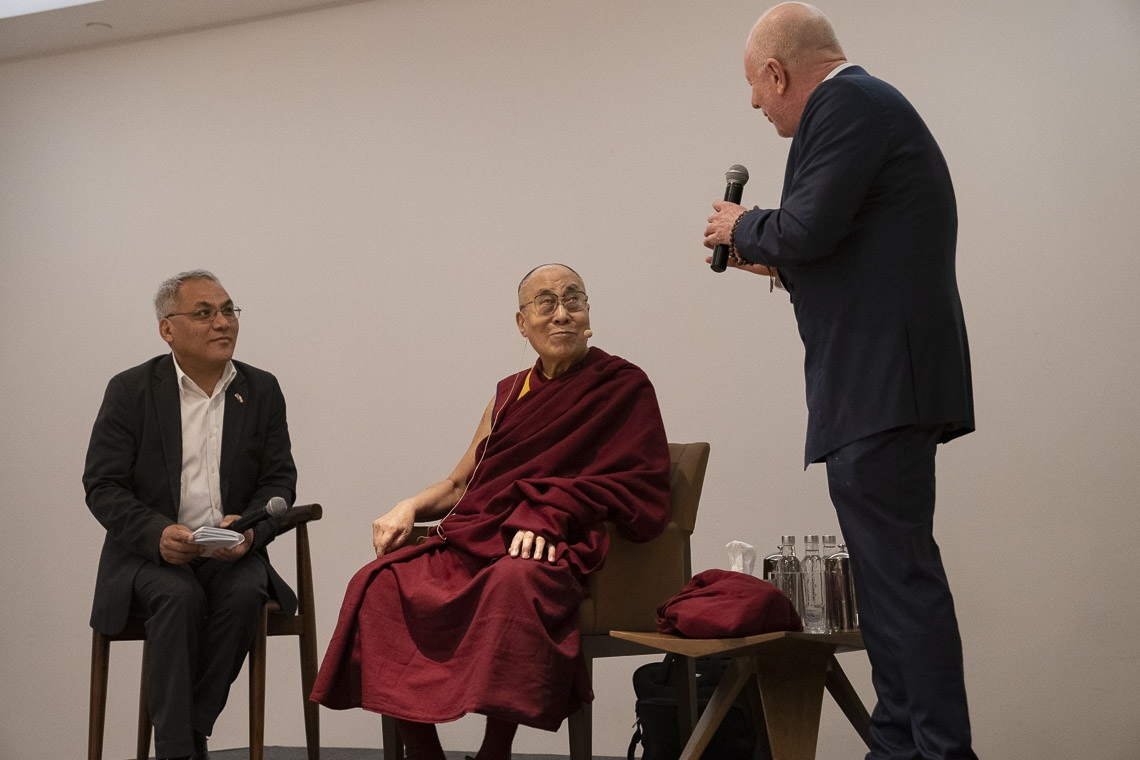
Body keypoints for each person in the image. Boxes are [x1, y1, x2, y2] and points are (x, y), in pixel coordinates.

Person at [702, 4, 977, 759]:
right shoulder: (865, 107)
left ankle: (938, 750)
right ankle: (898, 743)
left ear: (777, 72)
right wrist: (779, 259)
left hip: (879, 382)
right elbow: (845, 249)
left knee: (900, 582)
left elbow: (810, 226)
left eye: (756, 90)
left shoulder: (846, 102)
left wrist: (742, 227)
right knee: (889, 589)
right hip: (878, 380)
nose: (756, 106)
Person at [311, 264, 671, 760]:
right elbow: (463, 483)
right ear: (522, 324)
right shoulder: (510, 393)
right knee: (377, 583)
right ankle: (423, 750)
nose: (562, 313)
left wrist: (555, 509)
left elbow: (639, 482)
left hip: (550, 540)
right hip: (483, 534)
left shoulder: (623, 385)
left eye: (574, 300)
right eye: (545, 303)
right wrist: (407, 506)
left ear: (589, 314)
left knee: (516, 582)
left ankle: (495, 751)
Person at [83, 269, 298, 760]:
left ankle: (187, 733)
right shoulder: (131, 390)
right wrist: (158, 534)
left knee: (248, 591)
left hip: (230, 552)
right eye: (204, 313)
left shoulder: (261, 390)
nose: (222, 322)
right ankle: (181, 748)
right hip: (151, 559)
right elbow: (103, 485)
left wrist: (248, 532)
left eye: (228, 310)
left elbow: (279, 482)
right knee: (177, 597)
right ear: (168, 329)